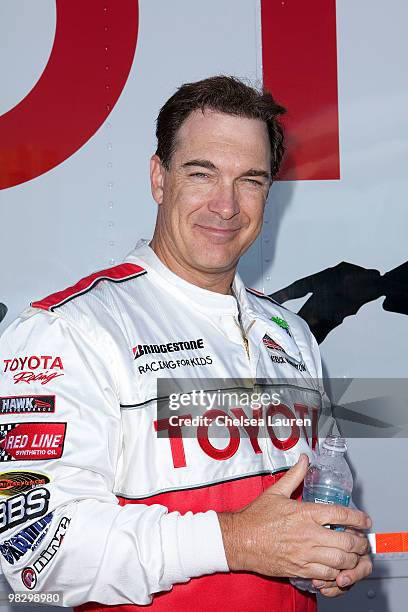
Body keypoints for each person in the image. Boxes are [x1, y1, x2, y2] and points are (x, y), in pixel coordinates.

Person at [0, 76, 372, 611]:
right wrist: (235, 541)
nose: (226, 205)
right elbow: (32, 555)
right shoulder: (70, 330)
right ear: (159, 177)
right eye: (202, 173)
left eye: (251, 180)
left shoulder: (290, 334)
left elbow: (309, 507)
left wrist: (331, 554)